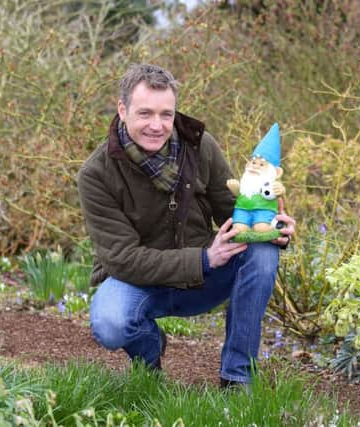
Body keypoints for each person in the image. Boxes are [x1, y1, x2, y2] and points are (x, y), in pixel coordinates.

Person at [77, 63, 295, 388]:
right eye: (145, 114)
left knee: (262, 252)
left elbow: (233, 214)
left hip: (204, 279)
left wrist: (272, 229)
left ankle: (237, 379)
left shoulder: (200, 146)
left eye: (166, 114)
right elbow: (122, 259)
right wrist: (205, 258)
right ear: (122, 110)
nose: (157, 125)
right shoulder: (96, 175)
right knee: (111, 322)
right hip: (140, 282)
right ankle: (148, 360)